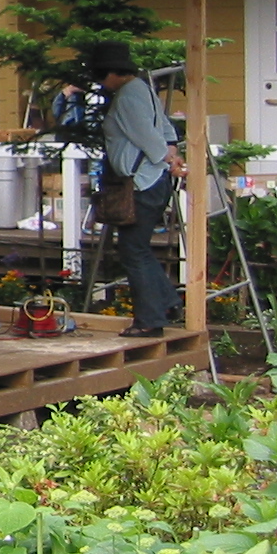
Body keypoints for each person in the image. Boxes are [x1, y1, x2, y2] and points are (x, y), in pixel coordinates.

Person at [86, 41, 185, 336]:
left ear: (111, 72)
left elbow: (147, 136)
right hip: (153, 180)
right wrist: (171, 153)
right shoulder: (143, 89)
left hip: (141, 182)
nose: (101, 83)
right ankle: (167, 302)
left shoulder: (127, 96)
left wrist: (167, 159)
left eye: (101, 76)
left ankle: (150, 320)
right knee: (138, 249)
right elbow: (165, 129)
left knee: (133, 252)